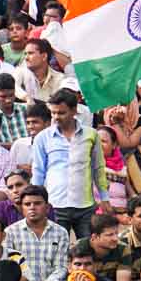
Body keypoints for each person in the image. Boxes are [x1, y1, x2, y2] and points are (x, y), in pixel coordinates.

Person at [30, 89, 108, 240]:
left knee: (86, 247)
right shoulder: (43, 138)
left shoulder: (91, 135)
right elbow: (38, 172)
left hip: (85, 205)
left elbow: (98, 168)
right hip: (55, 204)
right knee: (55, 247)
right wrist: (36, 201)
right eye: (53, 113)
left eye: (61, 113)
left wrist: (104, 198)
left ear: (74, 111)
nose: (56, 117)